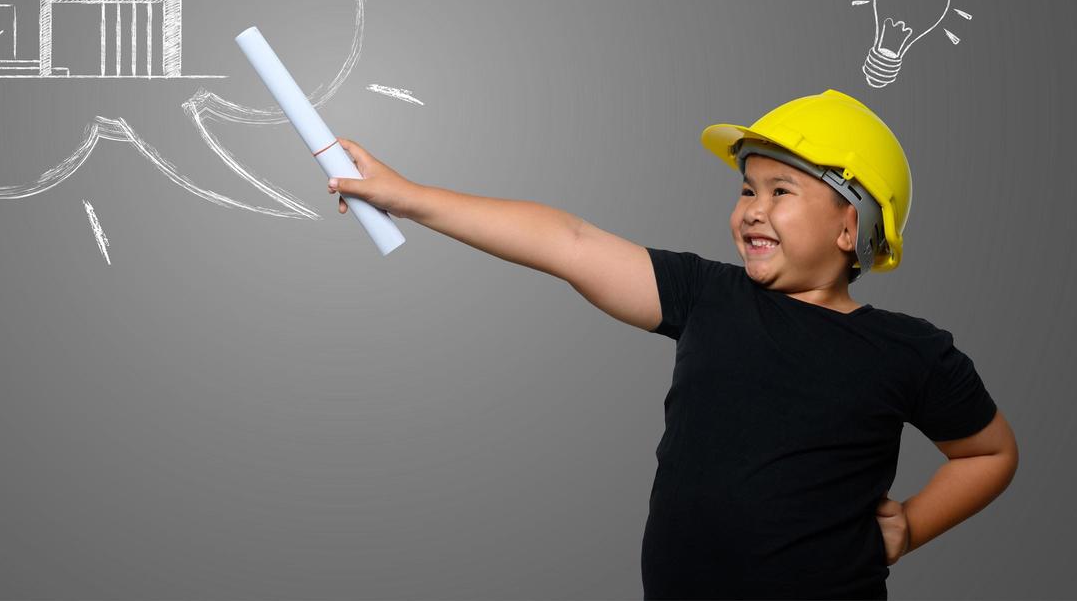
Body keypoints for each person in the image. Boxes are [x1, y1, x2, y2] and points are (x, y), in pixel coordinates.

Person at [326, 88, 1017, 600]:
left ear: (850, 227)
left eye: (781, 190)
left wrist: (911, 528)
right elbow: (569, 243)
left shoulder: (909, 351)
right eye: (747, 188)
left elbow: (989, 452)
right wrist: (407, 196)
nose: (752, 207)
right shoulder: (706, 295)